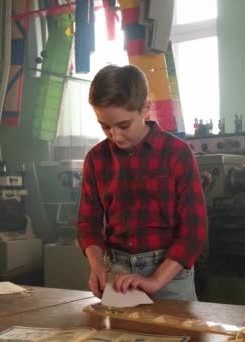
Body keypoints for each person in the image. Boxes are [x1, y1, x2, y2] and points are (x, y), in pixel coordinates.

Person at [77, 64, 207, 301]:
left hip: (170, 275)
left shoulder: (177, 153)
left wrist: (156, 280)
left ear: (146, 110)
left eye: (124, 125)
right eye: (105, 126)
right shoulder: (96, 159)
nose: (115, 136)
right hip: (118, 274)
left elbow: (193, 231)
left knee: (177, 337)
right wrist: (96, 265)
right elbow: (88, 224)